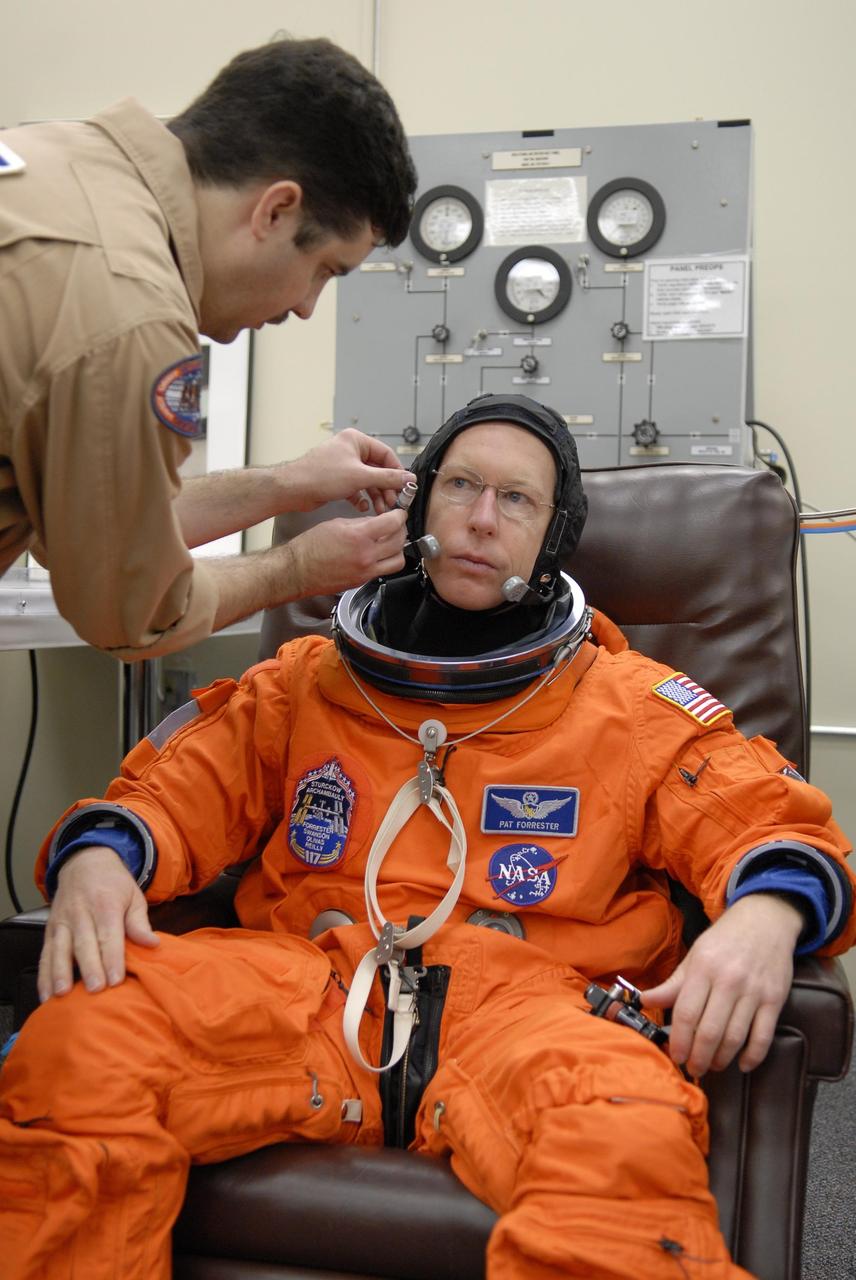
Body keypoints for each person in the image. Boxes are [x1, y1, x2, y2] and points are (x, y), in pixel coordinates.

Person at [1, 393, 853, 1280]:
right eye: (461, 486)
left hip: (532, 1012)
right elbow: (177, 788)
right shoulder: (309, 683)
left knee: (621, 1138)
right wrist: (102, 855)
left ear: (552, 538)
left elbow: (764, 818)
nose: (482, 519)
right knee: (81, 1048)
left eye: (516, 500)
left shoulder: (627, 704)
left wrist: (767, 916)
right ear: (419, 507)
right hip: (305, 990)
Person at [0, 36, 418, 659]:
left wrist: (291, 484)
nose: (307, 306)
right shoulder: (131, 310)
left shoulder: (59, 157)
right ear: (276, 211)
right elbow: (136, 612)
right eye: (324, 270)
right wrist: (297, 568)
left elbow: (89, 526)